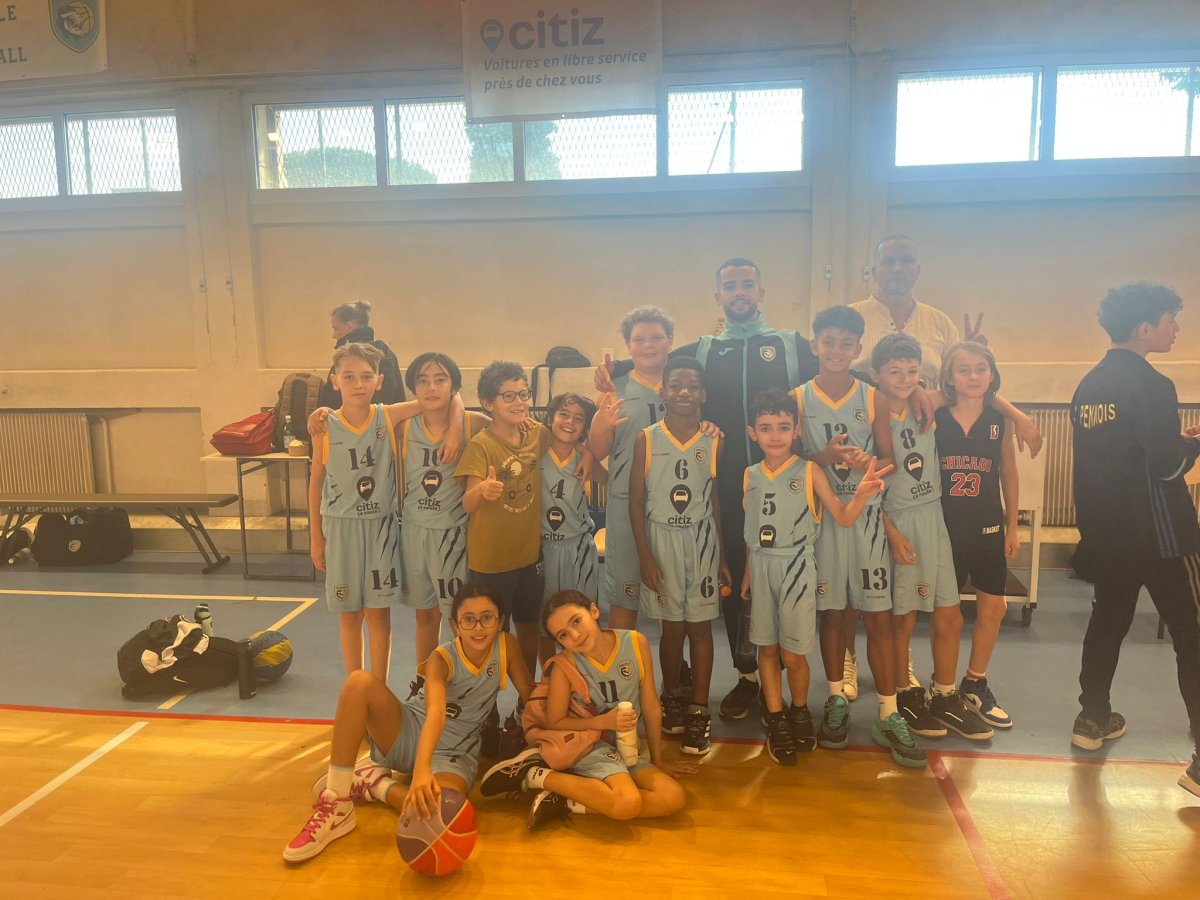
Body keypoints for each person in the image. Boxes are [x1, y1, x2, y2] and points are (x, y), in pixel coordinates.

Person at [597, 259, 820, 722]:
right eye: (730, 286)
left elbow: (842, 368)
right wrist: (615, 369)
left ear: (761, 291)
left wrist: (919, 389)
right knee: (736, 579)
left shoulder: (791, 344)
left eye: (747, 284)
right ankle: (748, 677)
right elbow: (657, 362)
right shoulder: (704, 349)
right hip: (722, 483)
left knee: (782, 579)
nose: (739, 292)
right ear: (718, 296)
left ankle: (791, 682)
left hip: (785, 483)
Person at [842, 235, 1041, 702]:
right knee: (863, 572)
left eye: (905, 260)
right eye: (888, 261)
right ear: (874, 269)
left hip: (926, 444)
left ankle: (908, 667)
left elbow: (969, 382)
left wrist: (1017, 414)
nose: (897, 267)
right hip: (871, 434)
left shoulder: (939, 323)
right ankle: (850, 657)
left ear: (917, 268)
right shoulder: (855, 316)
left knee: (907, 586)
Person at [282, 583, 532, 862]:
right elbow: (435, 713)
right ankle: (337, 803)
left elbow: (529, 697)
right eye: (468, 619)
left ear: (500, 621)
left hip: (455, 751)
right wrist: (422, 769)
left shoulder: (506, 646)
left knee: (442, 815)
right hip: (411, 729)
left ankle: (376, 785)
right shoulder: (441, 659)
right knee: (359, 682)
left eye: (487, 618)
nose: (478, 627)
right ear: (455, 625)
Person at [1069, 282, 1200, 796]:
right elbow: (1166, 466)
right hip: (1163, 537)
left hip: (1110, 535)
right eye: (1170, 320)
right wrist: (1191, 449)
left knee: (1107, 622)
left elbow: (1119, 457)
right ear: (1145, 328)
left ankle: (1092, 717)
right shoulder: (1153, 384)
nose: (1176, 328)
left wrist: (1173, 444)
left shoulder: (1089, 386)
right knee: (1193, 636)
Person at [794, 306, 924, 769]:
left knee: (879, 618)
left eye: (846, 343)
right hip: (823, 522)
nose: (836, 350)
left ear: (857, 349)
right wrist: (825, 457)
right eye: (828, 341)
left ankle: (889, 713)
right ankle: (836, 701)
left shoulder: (872, 398)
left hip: (866, 520)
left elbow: (889, 458)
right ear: (815, 345)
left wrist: (867, 464)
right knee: (833, 614)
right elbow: (788, 460)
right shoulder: (797, 398)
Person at [740, 388, 892, 765]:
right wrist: (747, 571)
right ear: (753, 433)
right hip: (761, 567)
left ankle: (799, 711)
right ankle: (776, 718)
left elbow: (843, 516)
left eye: (783, 427)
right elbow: (752, 529)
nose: (775, 435)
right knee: (766, 650)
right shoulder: (749, 476)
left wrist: (861, 493)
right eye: (766, 428)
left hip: (797, 567)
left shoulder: (809, 471)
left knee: (793, 655)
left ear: (796, 431)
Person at [478, 590, 693, 829]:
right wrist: (603, 722)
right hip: (589, 746)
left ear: (594, 610)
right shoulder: (565, 665)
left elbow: (651, 704)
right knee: (627, 802)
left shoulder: (635, 642)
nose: (575, 635)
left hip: (627, 745)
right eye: (563, 635)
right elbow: (555, 722)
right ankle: (536, 775)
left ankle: (567, 800)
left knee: (673, 797)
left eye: (576, 621)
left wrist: (657, 759)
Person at [872, 335, 993, 741]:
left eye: (913, 371)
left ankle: (944, 694)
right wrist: (889, 531)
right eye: (895, 371)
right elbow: (863, 483)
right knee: (902, 617)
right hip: (897, 519)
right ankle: (905, 693)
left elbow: (981, 393)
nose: (905, 379)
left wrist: (1021, 418)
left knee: (950, 614)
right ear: (876, 374)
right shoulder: (869, 413)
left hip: (934, 516)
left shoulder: (929, 403)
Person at [629, 356, 732, 755]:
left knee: (701, 629)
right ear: (663, 392)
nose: (684, 392)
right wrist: (645, 556)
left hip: (702, 541)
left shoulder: (714, 440)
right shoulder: (647, 439)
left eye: (692, 386)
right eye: (676, 385)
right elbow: (635, 501)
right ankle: (671, 695)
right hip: (661, 541)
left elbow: (715, 499)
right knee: (671, 629)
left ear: (703, 394)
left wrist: (722, 556)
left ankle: (699, 709)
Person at [457, 361, 587, 677]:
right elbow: (468, 502)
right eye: (509, 396)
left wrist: (590, 453)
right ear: (488, 403)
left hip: (530, 558)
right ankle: (488, 697)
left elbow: (569, 440)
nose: (519, 402)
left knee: (529, 627)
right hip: (492, 562)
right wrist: (482, 490)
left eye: (523, 394)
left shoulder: (537, 434)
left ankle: (527, 694)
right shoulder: (481, 445)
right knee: (493, 633)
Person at [308, 343, 409, 681]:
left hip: (380, 528)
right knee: (349, 614)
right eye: (349, 376)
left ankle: (378, 687)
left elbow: (436, 400)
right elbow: (315, 483)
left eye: (366, 376)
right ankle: (356, 685)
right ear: (334, 380)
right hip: (340, 528)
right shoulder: (324, 426)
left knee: (378, 614)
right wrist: (316, 539)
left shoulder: (387, 416)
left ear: (379, 381)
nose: (358, 384)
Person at [935, 341, 1019, 730]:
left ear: (992, 375)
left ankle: (975, 682)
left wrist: (1012, 525)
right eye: (964, 369)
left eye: (980, 369)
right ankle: (942, 688)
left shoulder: (999, 420)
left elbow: (1008, 473)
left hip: (987, 526)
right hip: (944, 528)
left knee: (994, 607)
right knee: (947, 614)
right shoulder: (934, 414)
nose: (973, 376)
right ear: (949, 377)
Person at [398, 352, 488, 698]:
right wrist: (321, 414)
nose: (431, 387)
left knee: (458, 618)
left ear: (453, 385)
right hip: (414, 531)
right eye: (423, 380)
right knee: (425, 615)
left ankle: (464, 685)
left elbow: (513, 429)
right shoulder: (404, 425)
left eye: (440, 379)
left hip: (452, 533)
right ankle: (424, 683)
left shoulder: (473, 424)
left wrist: (457, 418)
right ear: (413, 387)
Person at [587, 306, 673, 631]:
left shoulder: (684, 386)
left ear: (670, 341)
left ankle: (672, 661)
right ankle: (623, 662)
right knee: (626, 595)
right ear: (628, 345)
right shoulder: (613, 389)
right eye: (639, 339)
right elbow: (597, 451)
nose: (648, 345)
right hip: (625, 502)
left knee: (671, 593)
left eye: (656, 338)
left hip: (673, 503)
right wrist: (601, 425)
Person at [540, 392, 604, 604]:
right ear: (551, 418)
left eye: (579, 418)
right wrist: (586, 451)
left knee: (581, 610)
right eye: (564, 414)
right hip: (541, 546)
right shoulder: (535, 451)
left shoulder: (584, 460)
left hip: (578, 545)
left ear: (585, 428)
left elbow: (612, 483)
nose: (570, 422)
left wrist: (589, 453)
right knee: (546, 613)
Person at [317, 301, 405, 410]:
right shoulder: (386, 353)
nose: (334, 335)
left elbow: (331, 402)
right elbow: (398, 398)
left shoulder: (347, 357)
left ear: (349, 326)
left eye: (336, 329)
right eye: (349, 377)